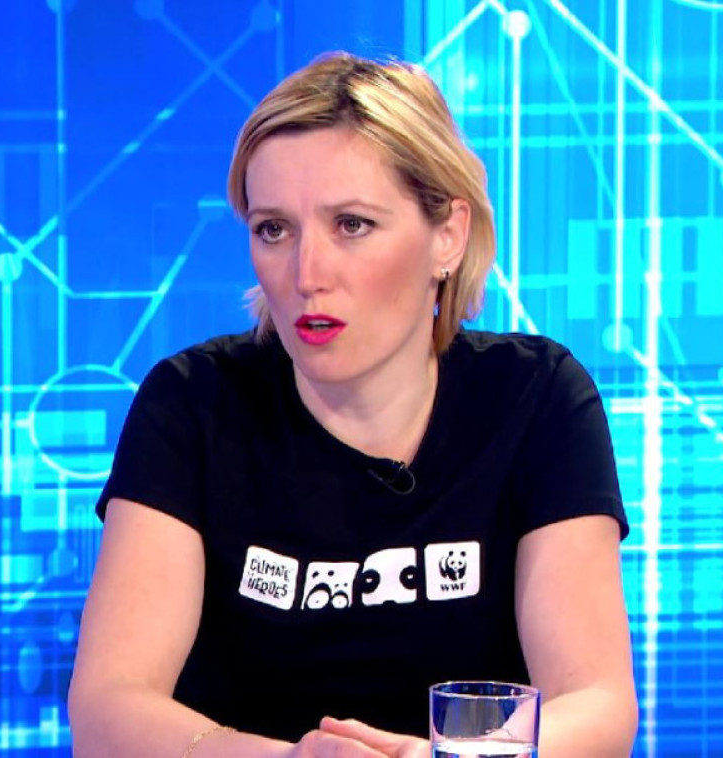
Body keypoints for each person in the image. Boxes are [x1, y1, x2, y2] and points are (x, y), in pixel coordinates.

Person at [68, 52, 638, 758]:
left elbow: (599, 705)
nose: (307, 274)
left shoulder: (537, 397)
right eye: (274, 229)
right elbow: (107, 709)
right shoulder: (190, 406)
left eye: (352, 225)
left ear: (448, 235)